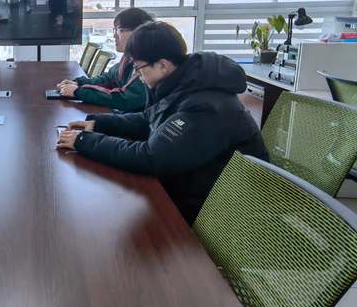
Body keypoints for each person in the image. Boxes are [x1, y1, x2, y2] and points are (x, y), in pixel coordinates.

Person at [56, 22, 269, 224]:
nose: (137, 75)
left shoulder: (205, 107)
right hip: (189, 186)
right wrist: (98, 124)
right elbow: (149, 118)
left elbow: (151, 158)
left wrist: (85, 141)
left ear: (163, 65)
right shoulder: (182, 83)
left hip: (217, 213)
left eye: (139, 68)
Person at [56, 8, 152, 112]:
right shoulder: (128, 57)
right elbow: (108, 79)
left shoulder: (148, 64)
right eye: (114, 30)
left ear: (138, 32)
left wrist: (79, 92)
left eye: (119, 30)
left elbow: (125, 99)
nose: (114, 35)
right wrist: (79, 83)